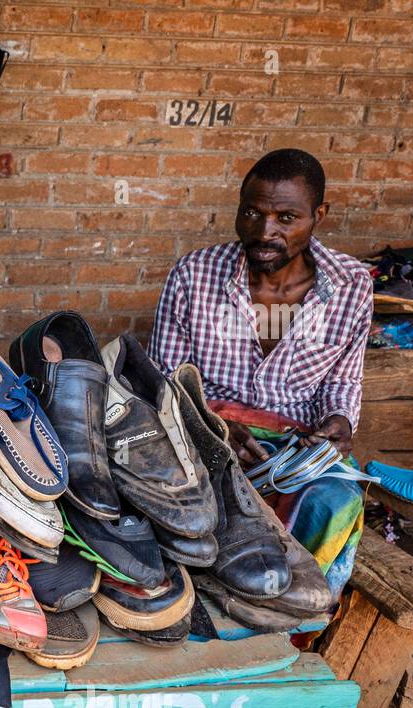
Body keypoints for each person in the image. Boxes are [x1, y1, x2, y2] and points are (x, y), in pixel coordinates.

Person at [149, 148, 372, 599]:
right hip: (203, 434)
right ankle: (205, 607)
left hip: (294, 444)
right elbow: (162, 382)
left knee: (335, 503)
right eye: (251, 212)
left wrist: (340, 422)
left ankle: (291, 616)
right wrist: (210, 429)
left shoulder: (351, 286)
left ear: (319, 215)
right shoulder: (194, 275)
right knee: (174, 502)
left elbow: (342, 381)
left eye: (286, 217)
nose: (264, 231)